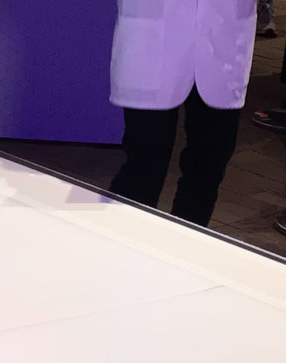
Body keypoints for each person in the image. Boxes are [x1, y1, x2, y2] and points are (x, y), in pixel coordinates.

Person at [108, 0, 257, 227]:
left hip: (225, 39)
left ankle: (187, 240)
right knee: (144, 165)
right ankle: (123, 241)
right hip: (153, 39)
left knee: (209, 165)